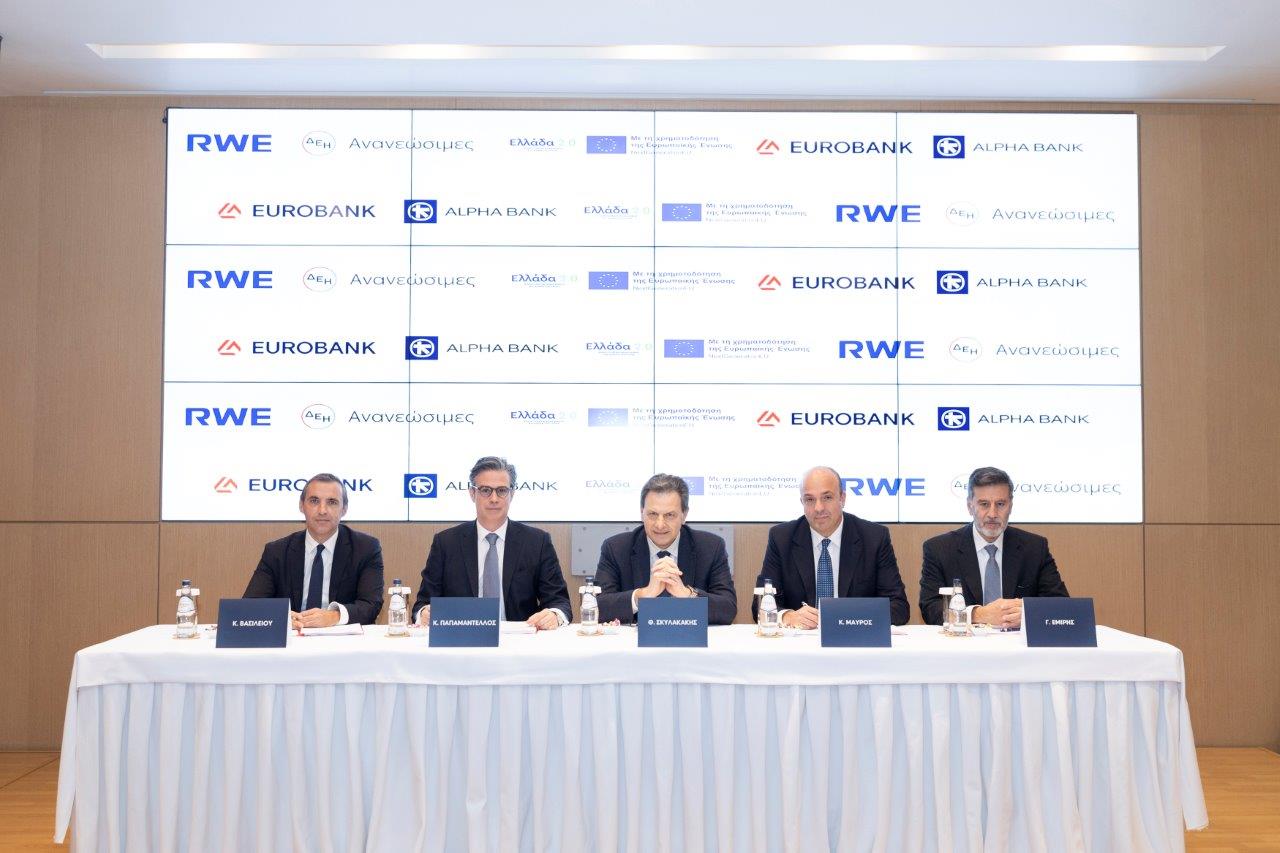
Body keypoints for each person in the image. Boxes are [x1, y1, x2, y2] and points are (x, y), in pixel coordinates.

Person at [412, 456, 571, 630]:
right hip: (462, 639)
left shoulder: (537, 542)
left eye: (501, 490)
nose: (494, 498)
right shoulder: (446, 543)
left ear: (512, 493)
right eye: (485, 490)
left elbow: (559, 601)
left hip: (521, 641)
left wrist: (554, 615)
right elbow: (423, 603)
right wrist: (424, 613)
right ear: (472, 493)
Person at [918, 466, 1069, 628]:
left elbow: (1061, 606)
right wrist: (978, 614)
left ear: (1010, 506)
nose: (992, 513)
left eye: (1000, 504)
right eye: (984, 504)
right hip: (965, 647)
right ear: (970, 506)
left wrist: (1027, 614)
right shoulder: (940, 549)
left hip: (1018, 647)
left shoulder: (1034, 548)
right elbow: (930, 608)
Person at [758, 466, 910, 627]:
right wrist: (787, 616)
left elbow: (898, 608)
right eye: (809, 499)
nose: (818, 508)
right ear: (802, 501)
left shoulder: (874, 538)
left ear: (842, 498)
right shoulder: (782, 538)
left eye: (827, 497)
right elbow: (760, 603)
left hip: (853, 642)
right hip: (801, 642)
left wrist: (844, 617)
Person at [243, 472, 384, 628]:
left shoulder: (365, 548)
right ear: (301, 506)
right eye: (314, 501)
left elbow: (371, 605)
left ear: (344, 509)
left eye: (332, 502)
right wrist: (280, 616)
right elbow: (250, 605)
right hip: (292, 641)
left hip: (342, 642)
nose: (322, 510)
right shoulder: (277, 551)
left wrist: (333, 616)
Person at [595, 473, 738, 625]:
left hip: (689, 642)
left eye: (669, 515)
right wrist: (642, 595)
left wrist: (688, 595)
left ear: (684, 515)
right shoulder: (616, 548)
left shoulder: (711, 547)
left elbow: (728, 608)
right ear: (641, 513)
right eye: (653, 514)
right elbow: (597, 607)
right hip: (635, 646)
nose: (660, 524)